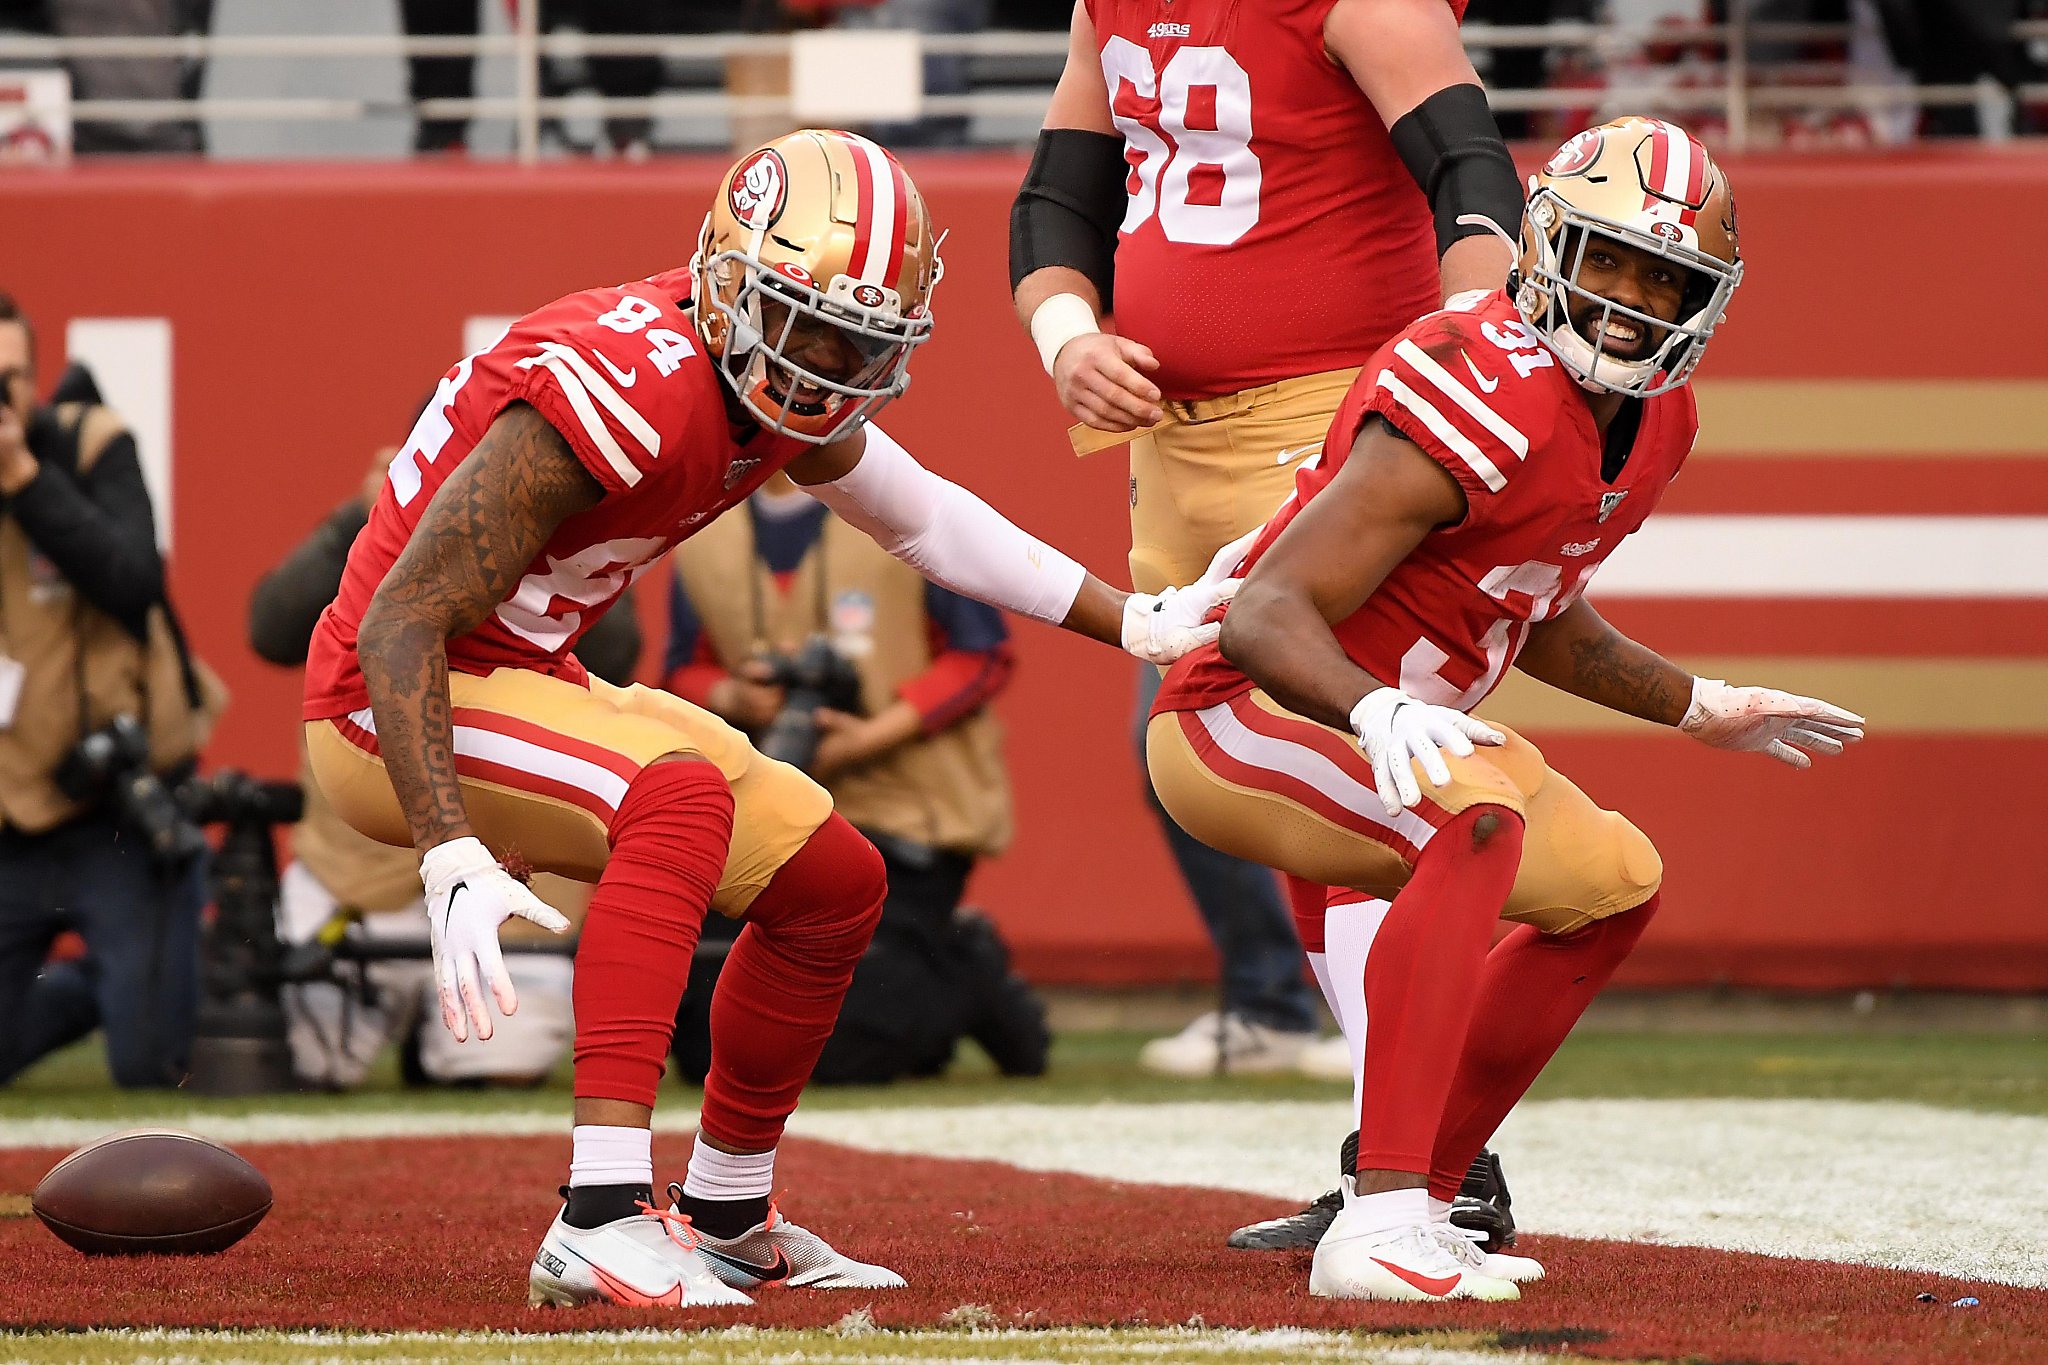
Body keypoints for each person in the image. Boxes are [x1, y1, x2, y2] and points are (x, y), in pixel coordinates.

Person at [300, 128, 1240, 1309]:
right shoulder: (628, 380)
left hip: (521, 674)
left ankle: (728, 1210)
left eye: (857, 340)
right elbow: (397, 623)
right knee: (677, 796)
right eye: (800, 323)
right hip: (387, 706)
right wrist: (446, 844)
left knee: (829, 877)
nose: (820, 365)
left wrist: (1135, 623)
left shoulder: (771, 383)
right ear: (723, 273)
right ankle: (596, 1214)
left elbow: (925, 519)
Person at [1146, 118, 1864, 1301]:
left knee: (1613, 882)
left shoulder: (1659, 422)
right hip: (1245, 709)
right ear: (1543, 246)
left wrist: (1696, 706)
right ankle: (1373, 1222)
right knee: (1475, 820)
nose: (1632, 303)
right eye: (1611, 261)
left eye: (1665, 278)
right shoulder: (1474, 386)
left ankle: (1425, 1196)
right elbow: (1264, 614)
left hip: (1419, 724)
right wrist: (1373, 709)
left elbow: (1536, 609)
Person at [1008, 0, 1528, 1236]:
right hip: (1172, 453)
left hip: (1324, 426)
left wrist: (1455, 358)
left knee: (1347, 787)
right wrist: (1066, 334)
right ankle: (1415, 1163)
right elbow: (1057, 197)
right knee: (1285, 808)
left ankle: (1432, 1170)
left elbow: (1471, 170)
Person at [248, 444, 643, 1090]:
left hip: (509, 874)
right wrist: (360, 522)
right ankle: (407, 1018)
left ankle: (440, 1044)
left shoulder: (557, 528)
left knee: (497, 1057)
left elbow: (621, 649)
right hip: (360, 872)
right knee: (314, 1057)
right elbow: (270, 628)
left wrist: (546, 534)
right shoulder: (373, 526)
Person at [664, 470, 1048, 1085]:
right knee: (707, 1046)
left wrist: (870, 735)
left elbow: (982, 655)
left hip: (904, 814)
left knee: (845, 1050)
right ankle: (933, 984)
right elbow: (683, 669)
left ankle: (962, 971)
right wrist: (734, 695)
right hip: (773, 818)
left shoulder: (910, 508)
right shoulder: (702, 529)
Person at [0, 293, 210, 1089]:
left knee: (150, 1063)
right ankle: (95, 990)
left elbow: (134, 579)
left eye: (14, 379)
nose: (4, 401)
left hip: (111, 808)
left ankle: (126, 982)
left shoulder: (90, 445)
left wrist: (24, 478)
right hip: (9, 815)